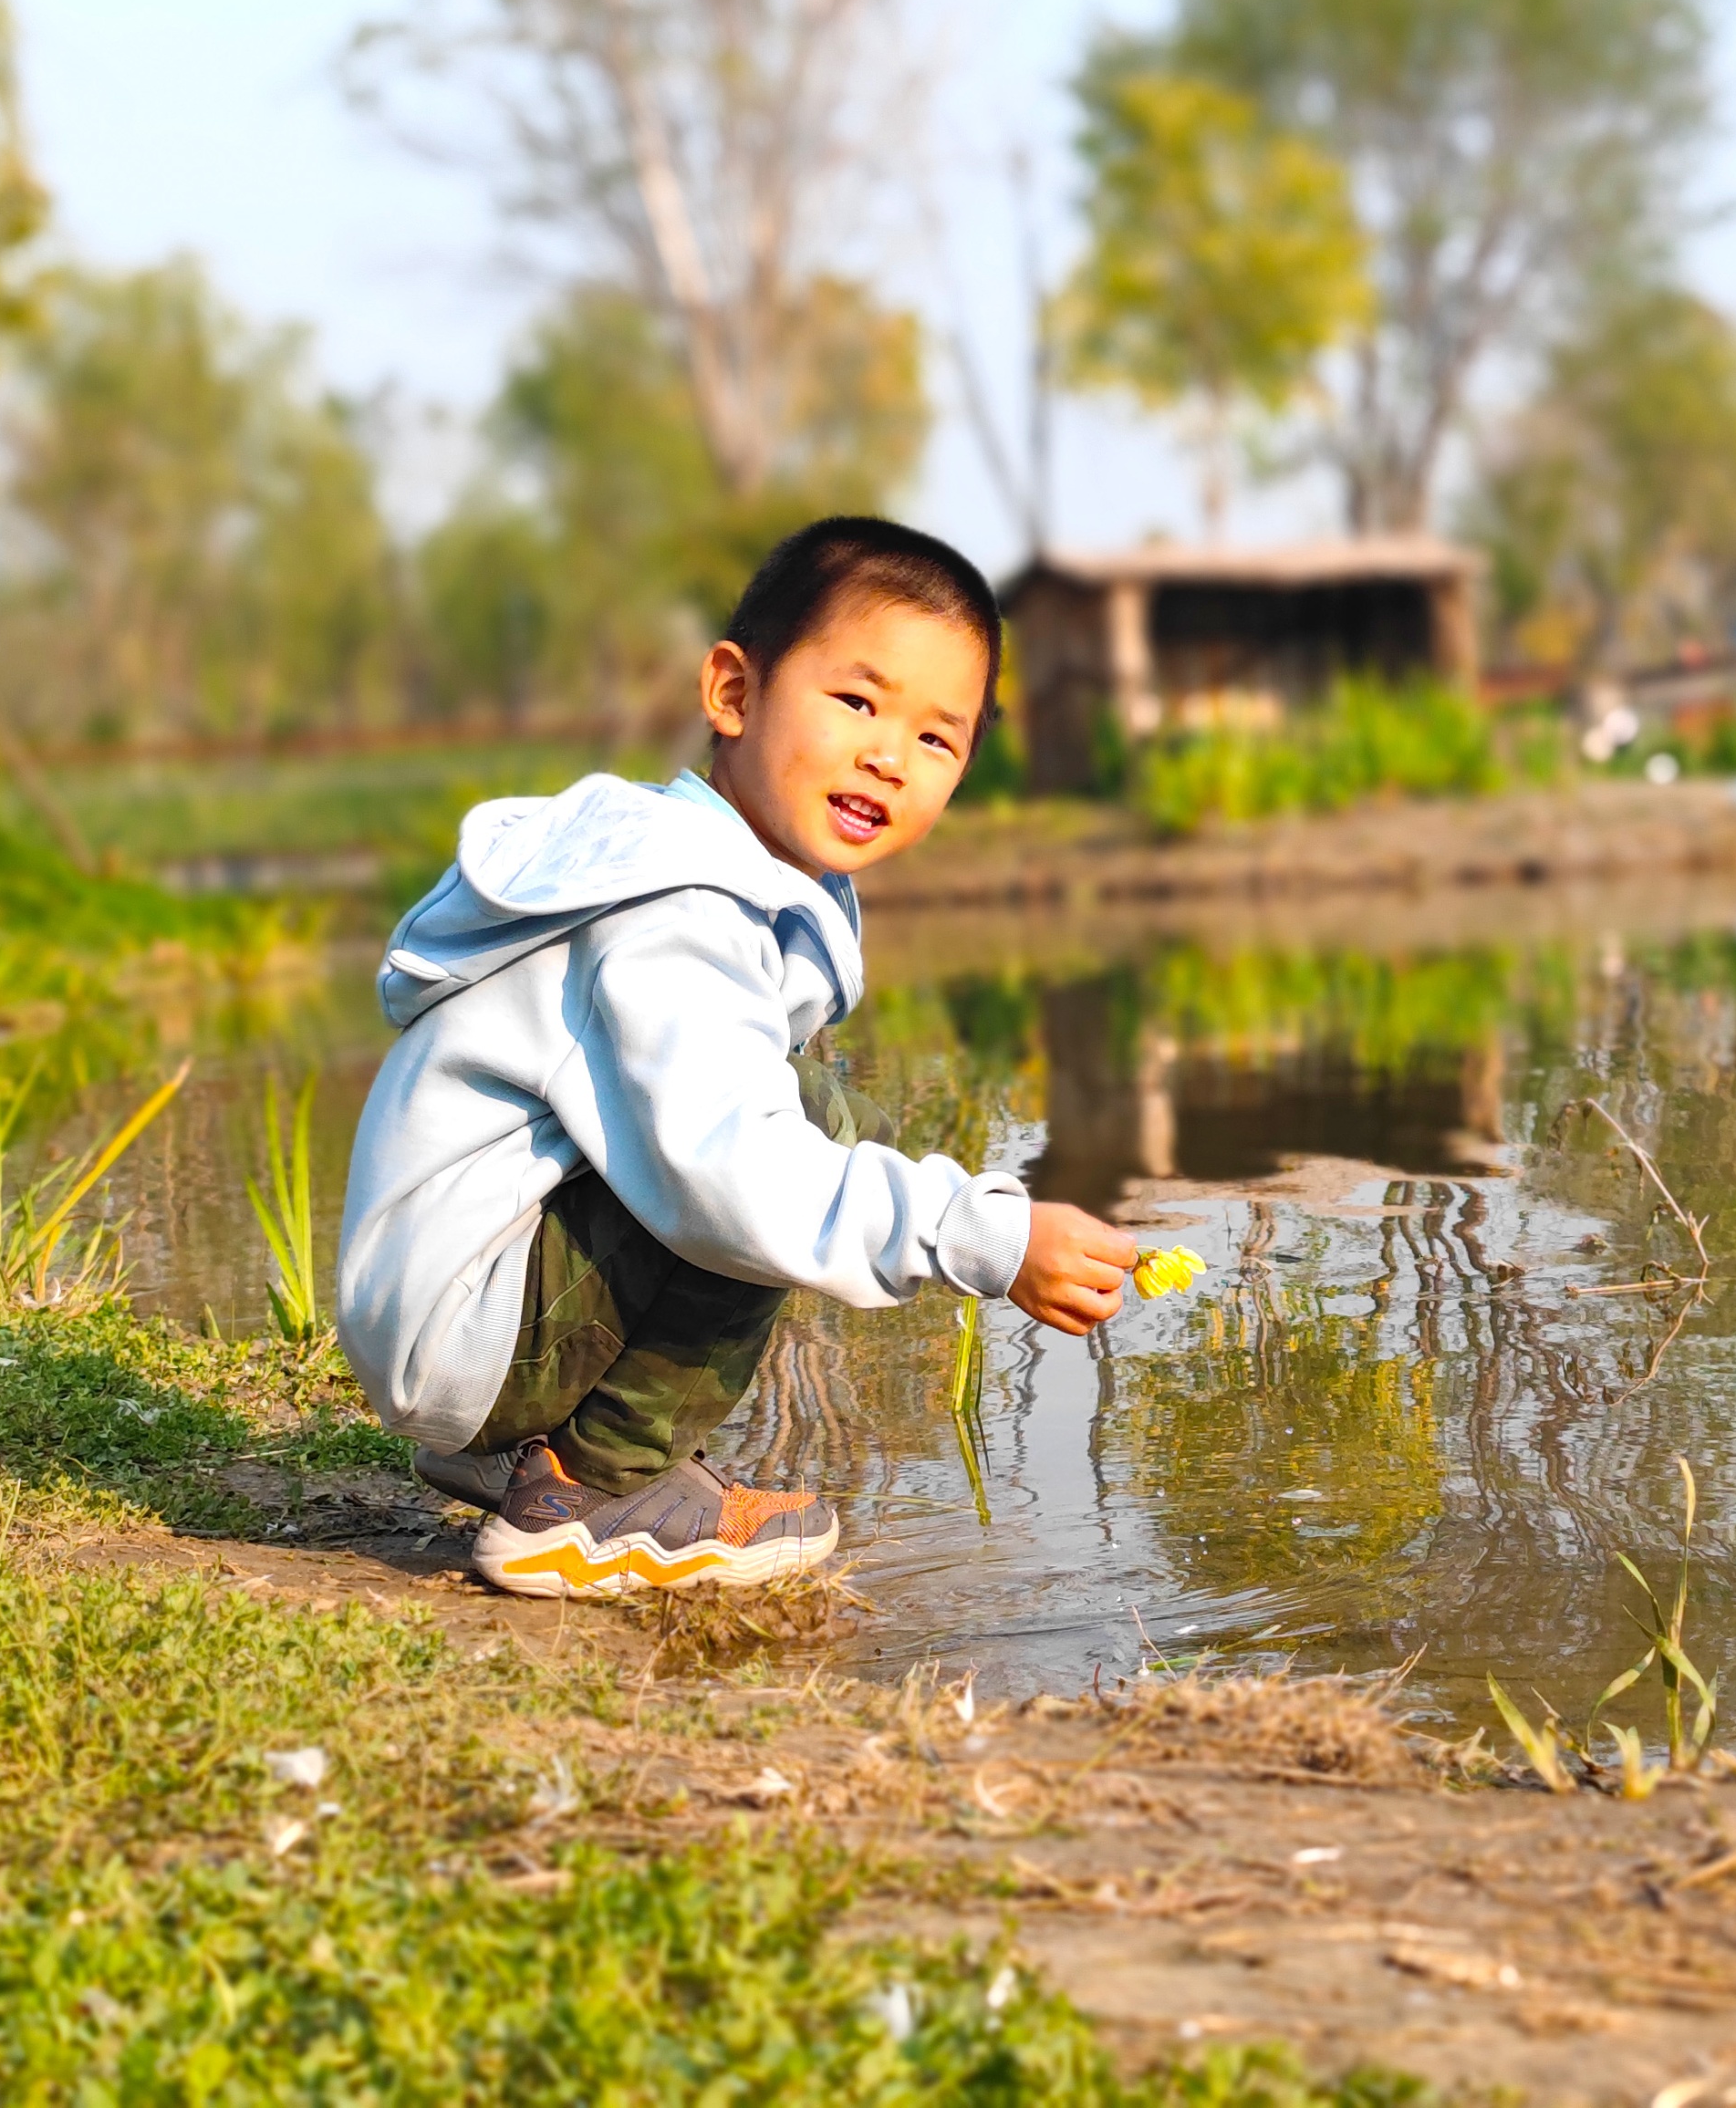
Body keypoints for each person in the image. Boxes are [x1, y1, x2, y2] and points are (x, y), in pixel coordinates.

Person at [334, 516, 1139, 1597]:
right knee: (782, 1142)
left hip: (454, 1312)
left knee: (806, 1110)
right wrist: (984, 1232)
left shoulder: (700, 873)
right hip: (472, 1323)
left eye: (937, 738)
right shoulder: (675, 912)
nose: (887, 754)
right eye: (856, 700)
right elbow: (731, 1180)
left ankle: (526, 1444)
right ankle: (596, 1490)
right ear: (734, 692)